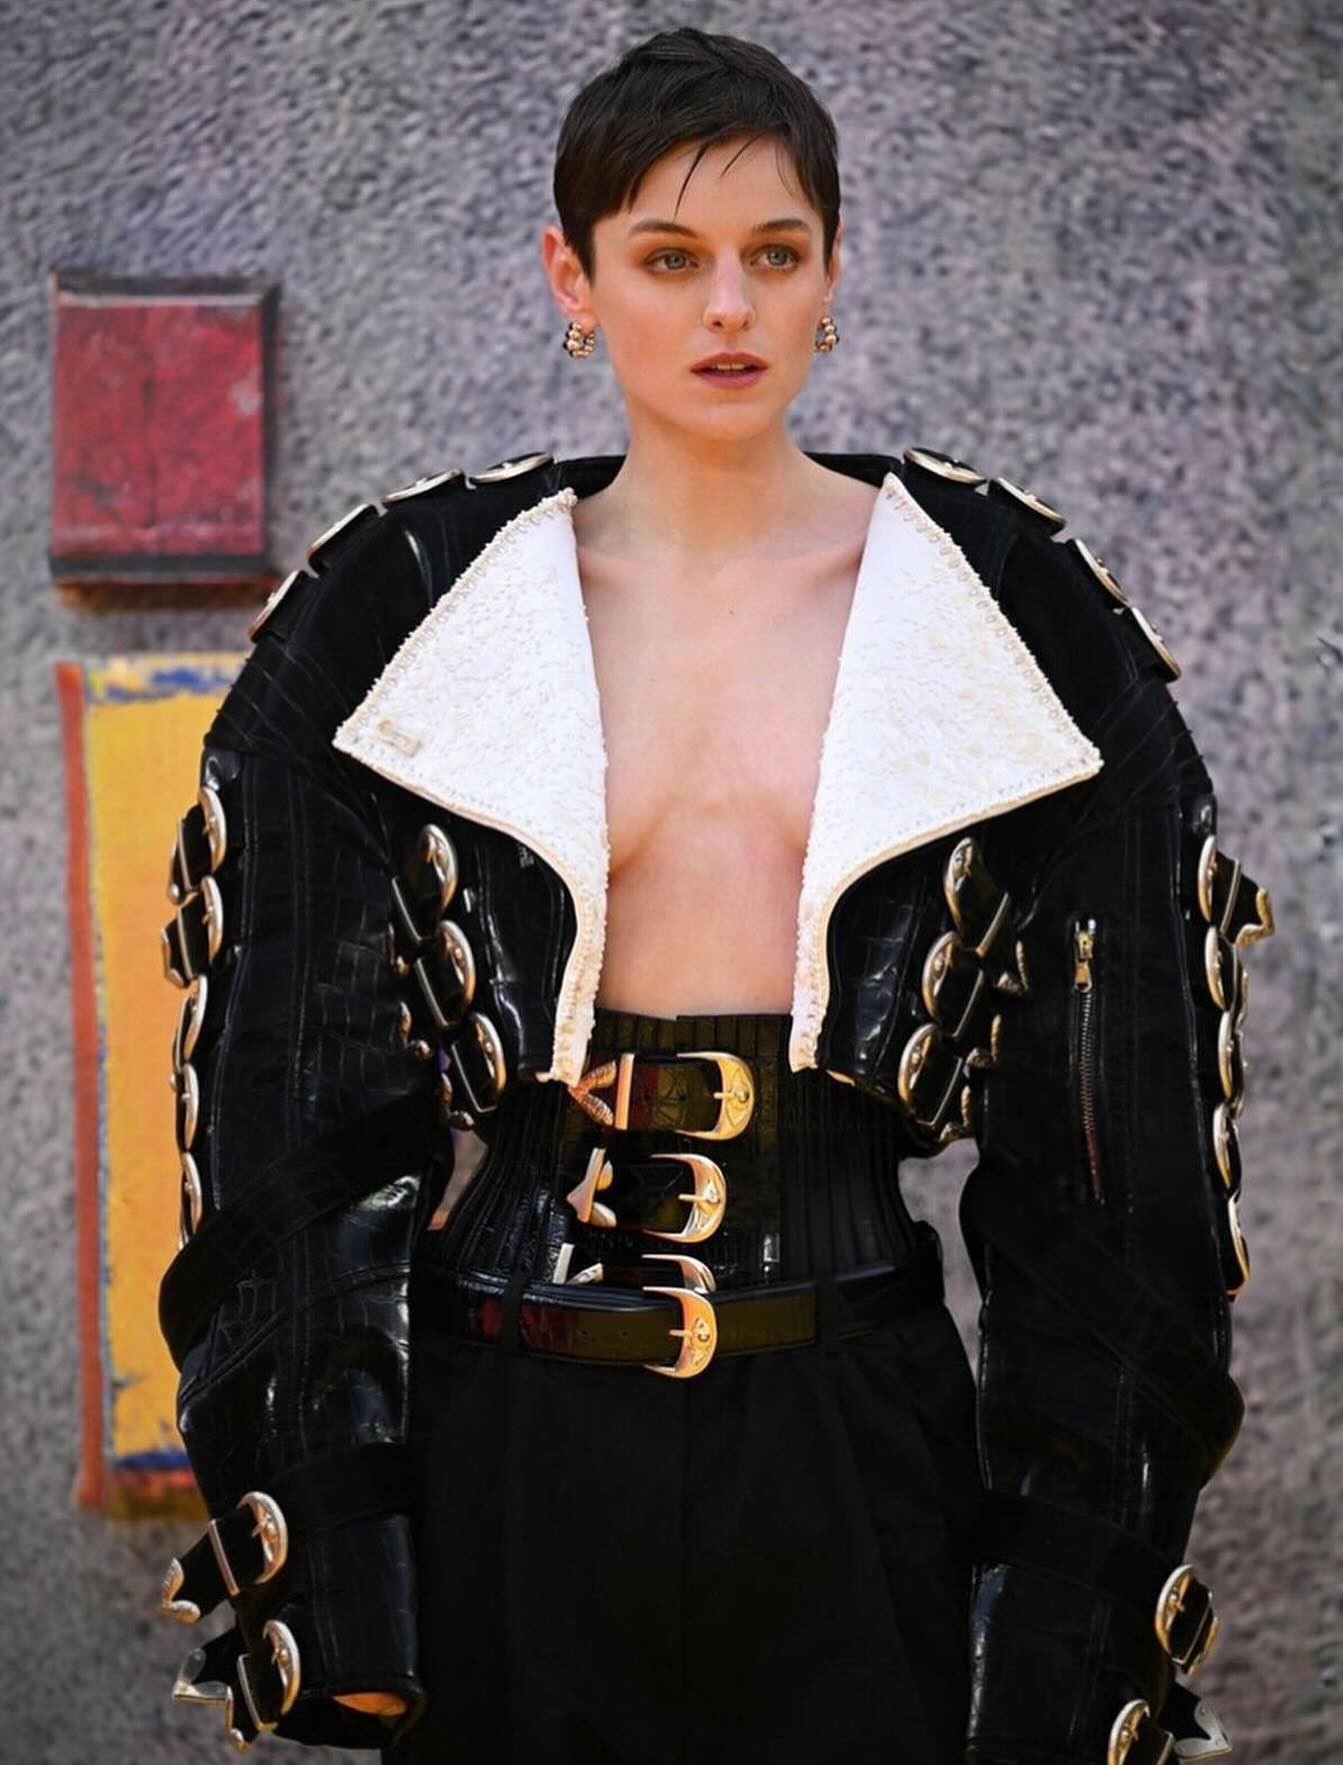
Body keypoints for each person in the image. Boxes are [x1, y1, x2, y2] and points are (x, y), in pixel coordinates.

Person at [153, 25, 1275, 1764]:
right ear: (575, 277)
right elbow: (282, 1108)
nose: (730, 307)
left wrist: (1070, 1602)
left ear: (835, 271)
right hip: (507, 1434)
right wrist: (335, 1543)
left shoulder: (1006, 615)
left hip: (857, 1430)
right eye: (670, 259)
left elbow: (1121, 1166)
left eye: (775, 253)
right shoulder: (400, 615)